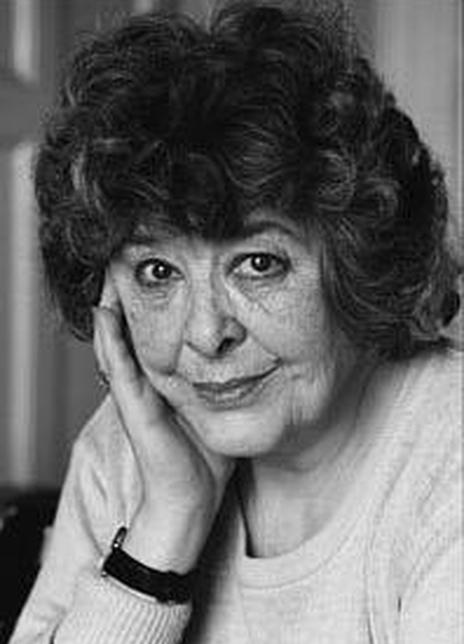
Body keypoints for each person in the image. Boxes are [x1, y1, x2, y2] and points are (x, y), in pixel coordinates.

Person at [10, 1, 462, 642]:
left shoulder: (447, 461)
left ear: (358, 260)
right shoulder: (128, 447)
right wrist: (163, 530)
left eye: (257, 263)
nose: (205, 333)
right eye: (157, 272)